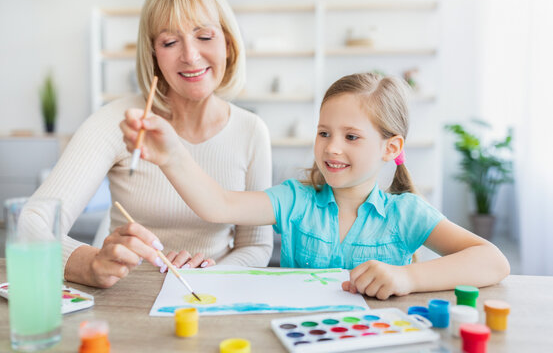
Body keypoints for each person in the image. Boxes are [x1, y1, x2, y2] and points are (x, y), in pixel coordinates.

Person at [121, 72, 511, 300]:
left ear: (390, 148)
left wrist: (407, 278)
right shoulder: (295, 199)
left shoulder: (406, 213)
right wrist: (172, 155)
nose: (332, 147)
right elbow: (218, 205)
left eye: (351, 137)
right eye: (324, 132)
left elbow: (493, 261)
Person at [29, 0, 273, 288]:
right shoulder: (117, 122)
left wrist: (211, 277)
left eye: (205, 36)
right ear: (154, 56)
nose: (191, 56)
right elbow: (32, 224)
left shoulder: (252, 131)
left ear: (229, 45)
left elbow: (256, 247)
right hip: (128, 298)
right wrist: (90, 263)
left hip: (213, 297)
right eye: (169, 42)